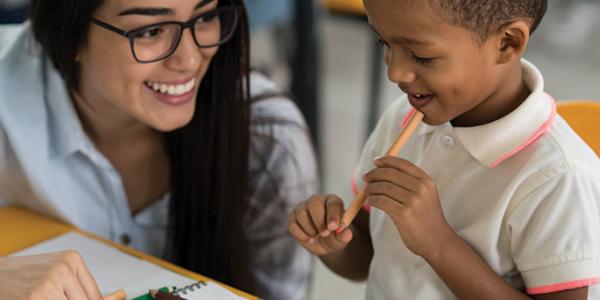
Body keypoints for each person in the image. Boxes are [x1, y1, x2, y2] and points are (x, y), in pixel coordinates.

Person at [0, 0, 318, 299]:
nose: (190, 59)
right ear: (70, 29)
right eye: (150, 31)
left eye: (205, 16)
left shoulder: (268, 139)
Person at [288, 0, 600, 299]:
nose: (395, 73)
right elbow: (365, 256)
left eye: (420, 56)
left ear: (507, 43)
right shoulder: (403, 117)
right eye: (384, 44)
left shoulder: (559, 178)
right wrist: (333, 241)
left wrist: (437, 243)